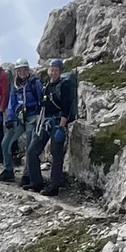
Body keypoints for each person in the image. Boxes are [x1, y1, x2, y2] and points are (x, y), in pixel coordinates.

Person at [36, 56, 78, 195]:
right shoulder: (47, 86)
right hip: (47, 122)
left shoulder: (64, 85)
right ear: (48, 70)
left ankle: (54, 187)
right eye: (51, 70)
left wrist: (61, 127)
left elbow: (66, 108)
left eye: (56, 70)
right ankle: (36, 182)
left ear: (59, 71)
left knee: (56, 153)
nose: (53, 72)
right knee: (32, 150)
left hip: (58, 123)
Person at [4, 62, 40, 183]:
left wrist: (40, 117)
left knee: (30, 144)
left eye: (24, 70)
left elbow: (41, 100)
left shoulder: (35, 83)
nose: (22, 73)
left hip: (32, 117)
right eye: (19, 70)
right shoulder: (15, 86)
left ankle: (28, 174)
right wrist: (9, 118)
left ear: (28, 70)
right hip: (19, 118)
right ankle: (8, 170)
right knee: (6, 143)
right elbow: (11, 103)